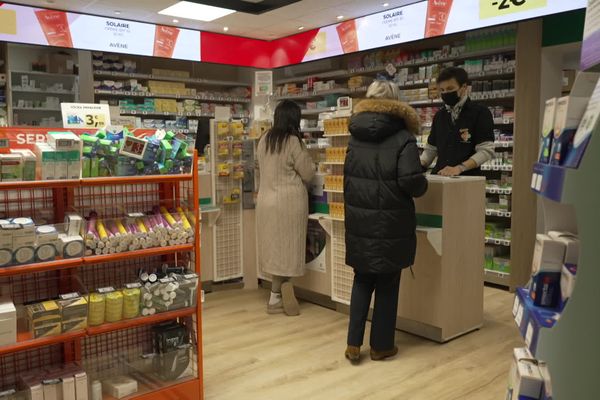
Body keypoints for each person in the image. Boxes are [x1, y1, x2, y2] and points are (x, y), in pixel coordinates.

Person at [343, 80, 428, 363]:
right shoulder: (403, 137)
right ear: (398, 103)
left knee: (362, 278)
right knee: (388, 283)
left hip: (360, 219)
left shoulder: (355, 135)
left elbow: (348, 179)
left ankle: (353, 344)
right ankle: (381, 346)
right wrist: (422, 184)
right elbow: (410, 181)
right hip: (392, 221)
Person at [256, 100, 315, 316]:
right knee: (287, 249)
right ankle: (276, 295)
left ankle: (278, 293)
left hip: (266, 201)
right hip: (289, 202)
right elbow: (308, 173)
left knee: (275, 249)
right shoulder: (293, 142)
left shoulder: (264, 140)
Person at [421, 67, 495, 176]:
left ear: (463, 87)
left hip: (467, 179)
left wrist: (460, 168)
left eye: (450, 88)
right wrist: (420, 164)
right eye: (442, 90)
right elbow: (431, 149)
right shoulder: (439, 116)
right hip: (440, 177)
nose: (445, 93)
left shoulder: (480, 113)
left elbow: (486, 150)